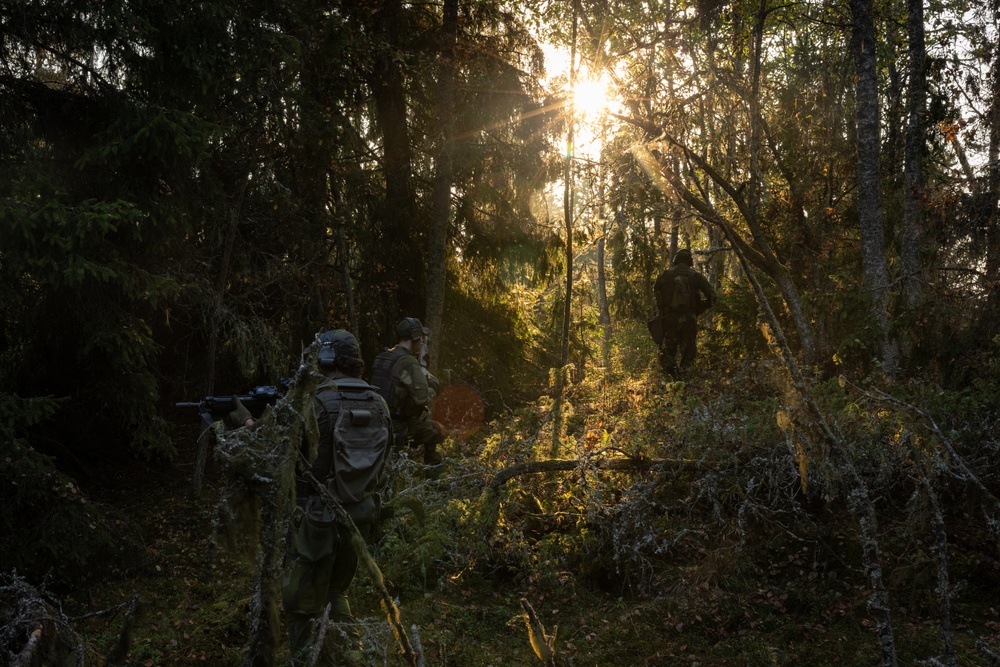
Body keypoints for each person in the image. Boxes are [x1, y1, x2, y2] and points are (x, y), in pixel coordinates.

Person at [282, 329, 392, 666]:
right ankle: (352, 657)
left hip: (315, 520)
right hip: (358, 518)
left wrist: (248, 421)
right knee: (336, 592)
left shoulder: (317, 403)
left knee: (299, 604)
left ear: (326, 358)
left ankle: (306, 659)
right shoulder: (379, 403)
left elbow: (286, 454)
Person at [369, 317, 445, 467]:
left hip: (375, 420)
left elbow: (398, 383)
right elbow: (422, 398)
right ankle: (434, 479)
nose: (421, 342)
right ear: (415, 337)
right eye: (420, 338)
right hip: (396, 426)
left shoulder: (384, 356)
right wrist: (434, 386)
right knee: (438, 431)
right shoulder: (408, 362)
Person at [653, 248, 716, 377]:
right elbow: (712, 296)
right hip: (689, 318)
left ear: (676, 260)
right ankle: (684, 380)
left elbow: (656, 291)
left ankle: (672, 378)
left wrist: (663, 309)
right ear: (690, 261)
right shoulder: (696, 276)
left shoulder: (665, 275)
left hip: (669, 318)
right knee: (689, 352)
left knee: (667, 351)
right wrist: (699, 309)